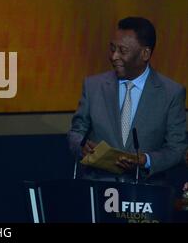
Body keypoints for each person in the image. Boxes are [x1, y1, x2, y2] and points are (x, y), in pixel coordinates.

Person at [68, 17, 187, 185]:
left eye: (122, 51)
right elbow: (76, 132)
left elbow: (177, 149)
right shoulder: (93, 86)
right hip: (99, 186)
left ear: (145, 53)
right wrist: (81, 146)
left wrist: (146, 160)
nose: (114, 56)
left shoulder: (172, 93)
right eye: (112, 49)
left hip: (146, 193)